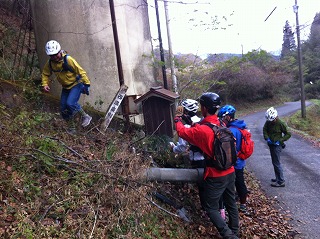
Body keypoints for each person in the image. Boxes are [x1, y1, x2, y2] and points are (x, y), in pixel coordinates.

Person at [174, 92, 239, 239]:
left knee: (210, 207)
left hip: (216, 174)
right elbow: (203, 127)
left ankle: (229, 236)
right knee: (230, 203)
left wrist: (177, 119)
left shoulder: (202, 130)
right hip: (230, 171)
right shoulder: (221, 123)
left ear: (203, 108)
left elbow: (182, 132)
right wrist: (189, 120)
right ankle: (235, 231)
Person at [41, 40, 92, 134]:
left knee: (70, 103)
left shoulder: (68, 60)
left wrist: (87, 84)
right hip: (65, 87)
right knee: (63, 109)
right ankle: (72, 129)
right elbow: (45, 73)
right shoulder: (50, 63)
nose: (55, 57)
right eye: (52, 56)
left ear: (60, 51)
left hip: (76, 84)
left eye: (56, 54)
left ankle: (85, 116)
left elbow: (81, 71)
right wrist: (45, 84)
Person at [218, 105, 250, 213]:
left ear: (227, 117)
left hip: (233, 162)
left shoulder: (231, 130)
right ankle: (243, 203)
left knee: (233, 183)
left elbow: (231, 148)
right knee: (240, 182)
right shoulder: (240, 126)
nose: (222, 120)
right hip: (240, 160)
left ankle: (236, 205)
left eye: (222, 118)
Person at [263, 107, 291, 187]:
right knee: (274, 162)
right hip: (271, 144)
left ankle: (281, 181)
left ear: (276, 117)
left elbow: (288, 134)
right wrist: (267, 138)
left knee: (276, 163)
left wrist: (281, 141)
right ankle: (278, 177)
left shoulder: (281, 123)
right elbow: (264, 129)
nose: (271, 122)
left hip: (277, 146)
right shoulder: (268, 121)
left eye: (273, 120)